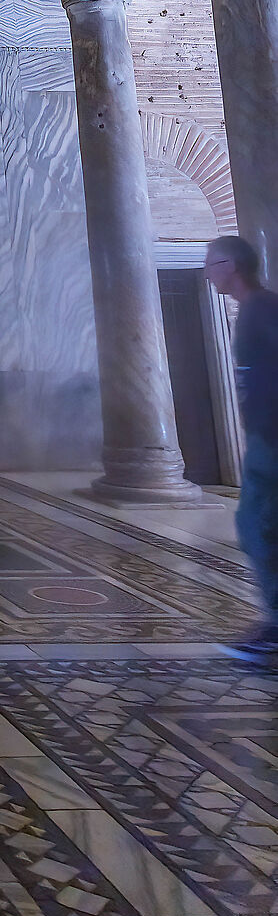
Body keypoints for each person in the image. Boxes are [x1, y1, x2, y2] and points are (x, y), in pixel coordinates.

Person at [205, 235, 278, 662]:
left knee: (255, 524)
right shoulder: (254, 309)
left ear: (231, 265)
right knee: (260, 524)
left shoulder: (261, 309)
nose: (207, 273)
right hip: (266, 436)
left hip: (272, 439)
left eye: (212, 264)